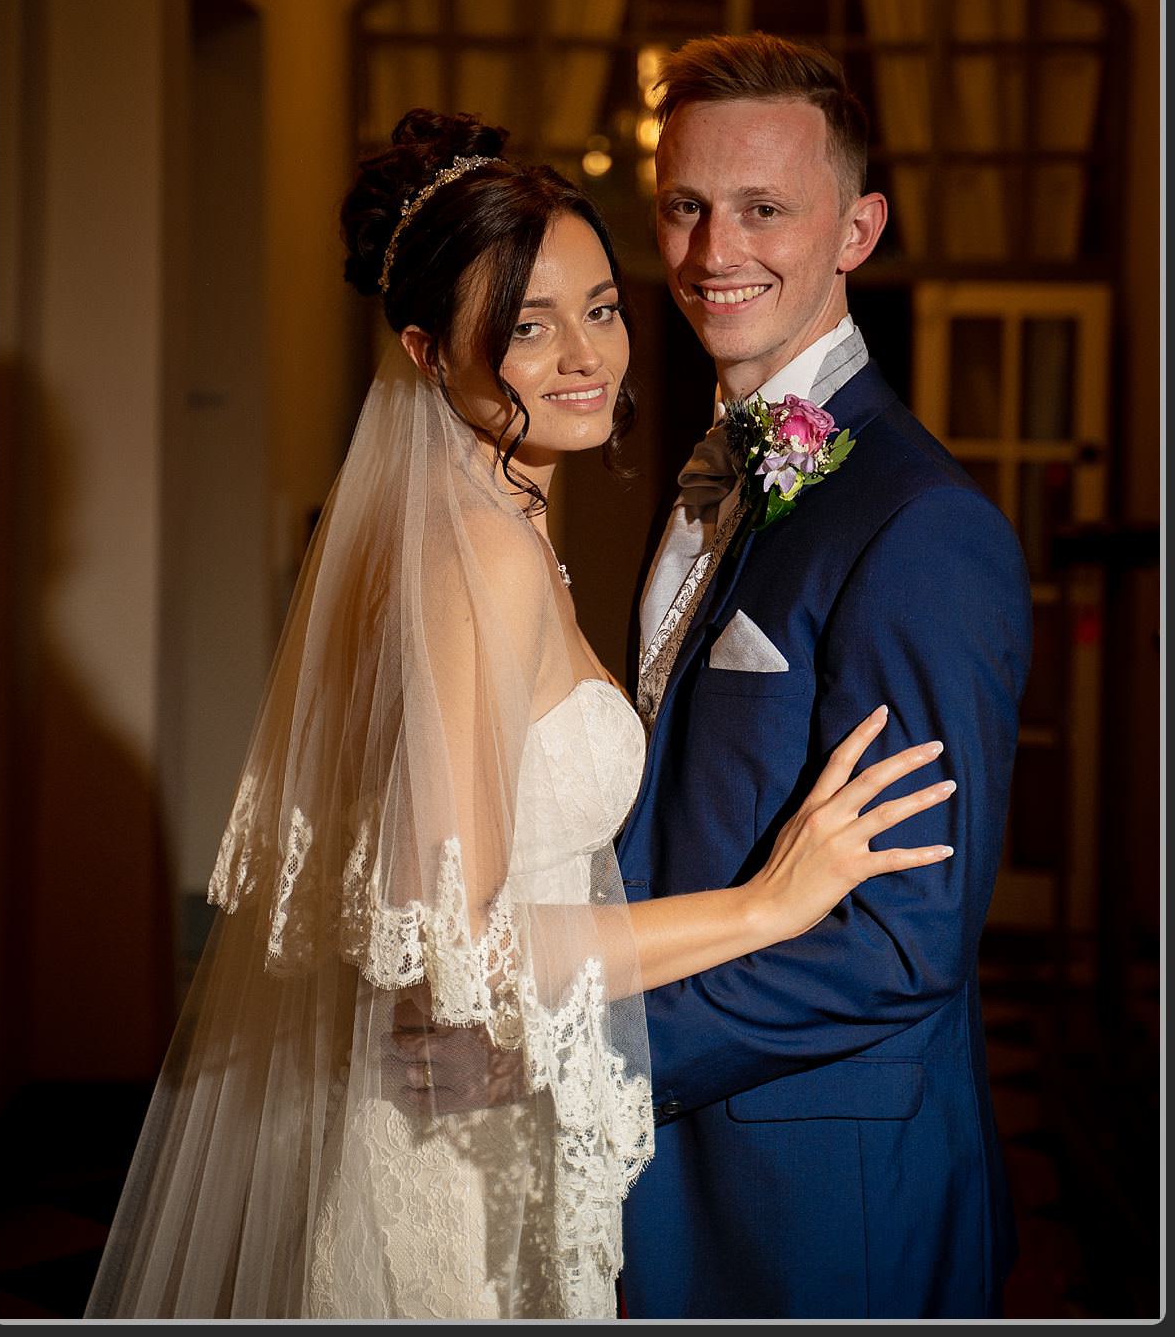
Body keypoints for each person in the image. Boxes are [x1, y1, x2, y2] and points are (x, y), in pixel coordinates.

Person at [85, 109, 959, 1319]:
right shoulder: (476, 558)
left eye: (599, 309)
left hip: (504, 1110)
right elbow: (458, 940)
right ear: (429, 353)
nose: (585, 357)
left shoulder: (495, 529)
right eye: (525, 328)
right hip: (459, 1161)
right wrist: (770, 902)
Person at [617, 34, 1031, 1317]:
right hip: (673, 1163)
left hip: (821, 1190)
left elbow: (905, 943)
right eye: (685, 207)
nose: (711, 252)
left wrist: (599, 1059)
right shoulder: (711, 474)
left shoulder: (921, 527)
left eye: (762, 210)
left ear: (857, 228)